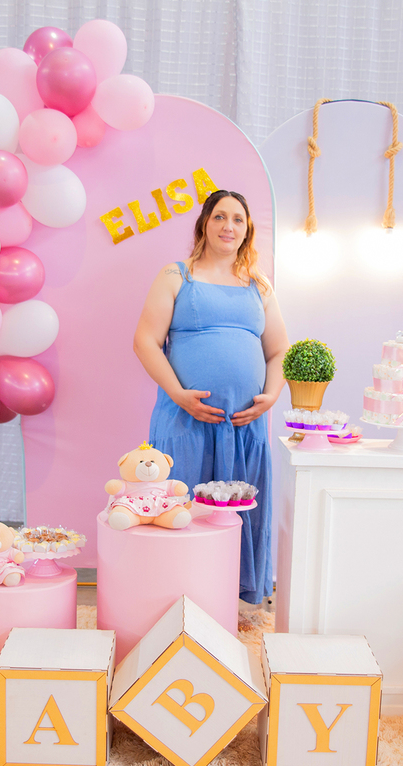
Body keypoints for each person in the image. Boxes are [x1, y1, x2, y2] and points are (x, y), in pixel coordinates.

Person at [133, 189, 289, 605]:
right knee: (179, 509)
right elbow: (146, 341)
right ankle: (173, 598)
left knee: (237, 513)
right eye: (220, 217)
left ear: (247, 230)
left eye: (238, 219)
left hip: (243, 427)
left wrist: (271, 394)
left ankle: (230, 598)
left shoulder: (259, 285)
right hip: (185, 421)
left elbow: (278, 352)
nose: (229, 226)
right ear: (204, 223)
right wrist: (179, 394)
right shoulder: (176, 276)